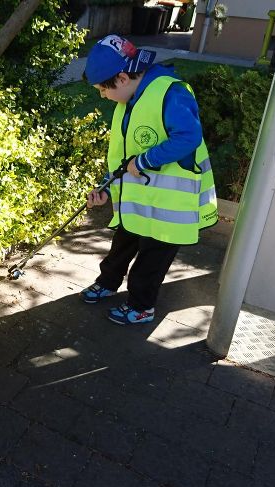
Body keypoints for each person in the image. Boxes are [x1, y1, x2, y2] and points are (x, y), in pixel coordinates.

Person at [81, 34, 217, 325]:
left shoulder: (171, 92)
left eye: (102, 90)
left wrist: (144, 161)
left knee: (151, 261)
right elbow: (126, 152)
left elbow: (189, 136)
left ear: (120, 78)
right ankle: (107, 283)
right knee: (122, 245)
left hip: (170, 206)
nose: (102, 96)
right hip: (141, 197)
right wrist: (107, 186)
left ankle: (141, 307)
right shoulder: (130, 97)